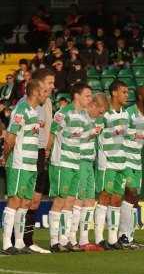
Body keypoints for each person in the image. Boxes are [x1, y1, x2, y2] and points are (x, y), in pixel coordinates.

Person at [0, 79, 48, 255]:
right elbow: (10, 137)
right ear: (35, 92)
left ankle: (19, 243)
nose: (46, 94)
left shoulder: (35, 112)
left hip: (30, 164)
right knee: (15, 200)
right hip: (19, 162)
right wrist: (5, 157)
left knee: (25, 202)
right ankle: (6, 244)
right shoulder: (21, 110)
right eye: (43, 91)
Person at [47, 83, 93, 252]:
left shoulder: (85, 116)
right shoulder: (62, 113)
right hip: (62, 162)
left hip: (76, 162)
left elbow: (85, 137)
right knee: (60, 200)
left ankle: (64, 240)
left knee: (71, 201)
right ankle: (53, 242)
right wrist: (46, 153)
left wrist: (93, 133)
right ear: (77, 96)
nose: (90, 99)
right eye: (87, 95)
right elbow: (52, 134)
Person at [21, 68, 55, 254]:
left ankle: (27, 240)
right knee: (24, 199)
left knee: (34, 200)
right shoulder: (25, 103)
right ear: (39, 84)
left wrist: (47, 148)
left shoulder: (48, 102)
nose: (53, 86)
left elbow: (48, 129)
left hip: (41, 153)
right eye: (49, 82)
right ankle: (17, 240)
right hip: (28, 153)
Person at [70, 93, 109, 251]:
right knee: (78, 200)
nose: (101, 115)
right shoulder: (80, 117)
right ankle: (71, 238)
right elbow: (72, 138)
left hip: (90, 162)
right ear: (92, 105)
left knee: (89, 201)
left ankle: (84, 240)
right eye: (100, 111)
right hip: (79, 161)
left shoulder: (98, 120)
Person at [118, 86, 144, 249]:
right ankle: (122, 236)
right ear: (140, 97)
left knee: (134, 199)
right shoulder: (128, 114)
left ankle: (129, 237)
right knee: (130, 194)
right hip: (125, 160)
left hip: (137, 162)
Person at [94, 80, 129, 250]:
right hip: (106, 163)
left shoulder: (126, 114)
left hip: (121, 163)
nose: (126, 95)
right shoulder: (104, 115)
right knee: (104, 198)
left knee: (116, 200)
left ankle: (113, 239)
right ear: (114, 93)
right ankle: (99, 238)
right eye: (124, 92)